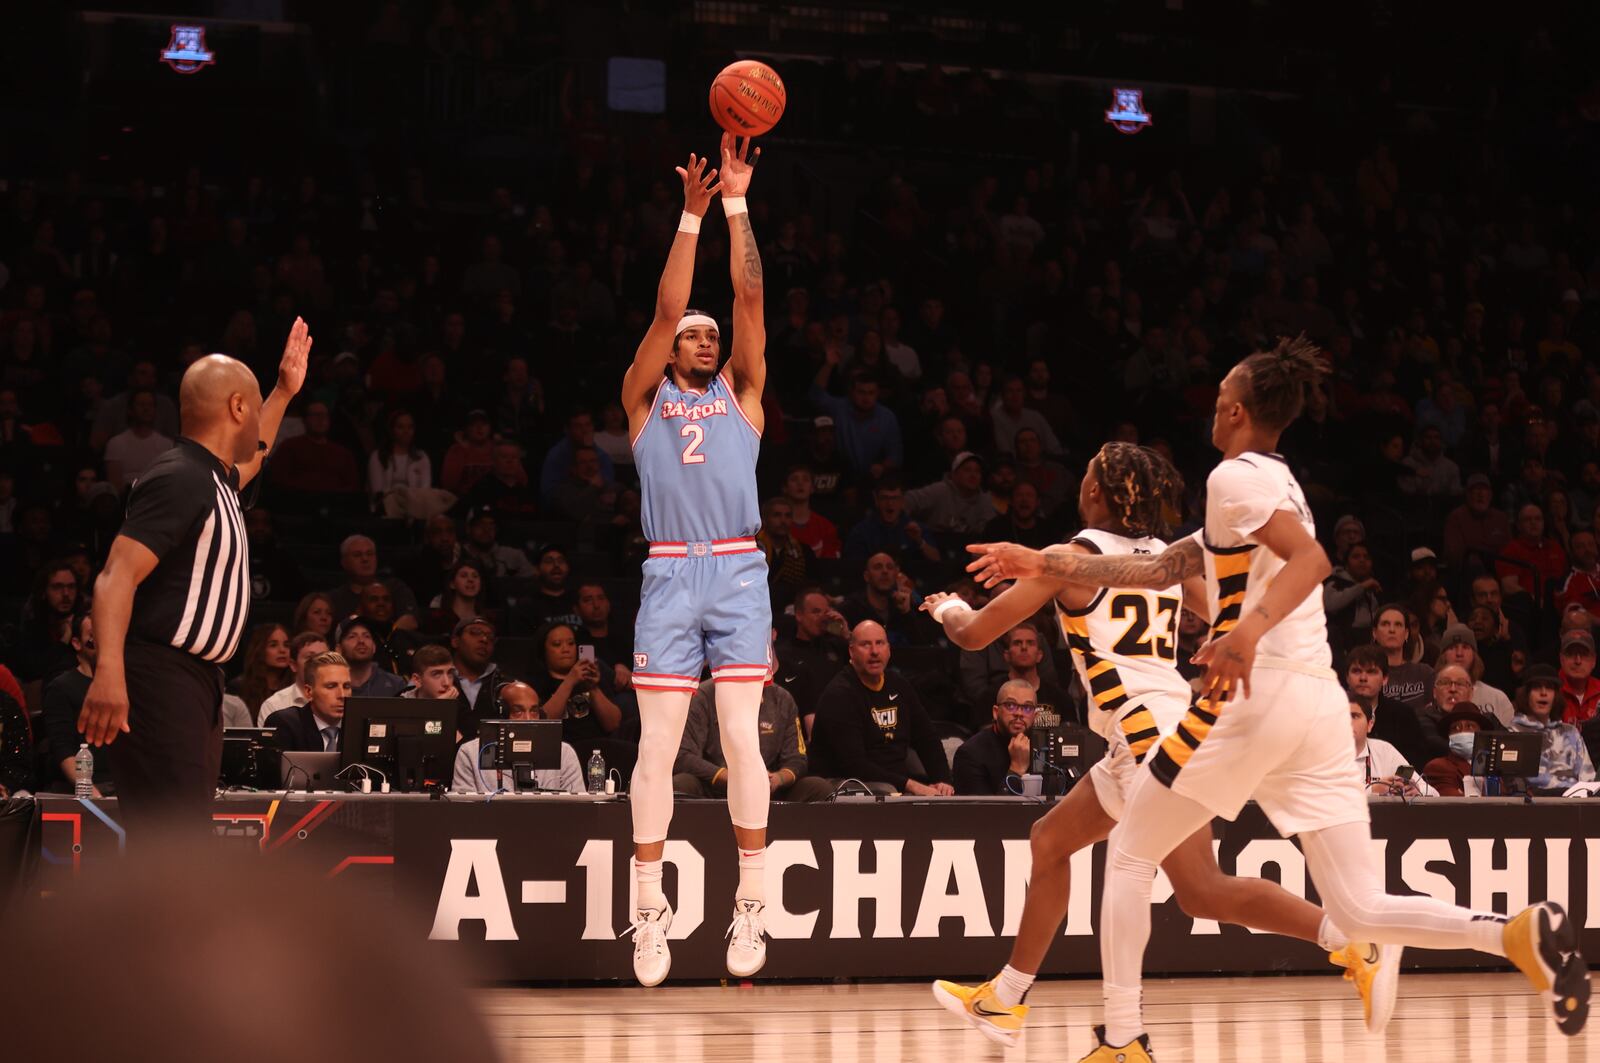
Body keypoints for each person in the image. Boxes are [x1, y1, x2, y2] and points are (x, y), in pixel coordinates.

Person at [965, 338, 1586, 1058]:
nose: (1214, 401)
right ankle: (1511, 932)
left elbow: (1312, 559)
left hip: (1260, 695)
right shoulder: (1268, 483)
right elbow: (1158, 566)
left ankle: (1124, 1039)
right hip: (1319, 704)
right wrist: (1040, 559)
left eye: (1221, 389)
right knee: (1357, 906)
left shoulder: (1234, 477)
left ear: (1234, 406)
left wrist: (1247, 632)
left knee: (1132, 854)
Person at [928, 440, 1367, 1047]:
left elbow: (977, 634)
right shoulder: (1165, 558)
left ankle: (1346, 940)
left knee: (1201, 889)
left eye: (1085, 474)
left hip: (1146, 734)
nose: (1079, 482)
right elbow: (1222, 609)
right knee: (1050, 840)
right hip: (1147, 726)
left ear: (1097, 494)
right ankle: (1005, 998)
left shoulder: (1071, 559)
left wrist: (947, 606)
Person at [617, 136, 775, 987]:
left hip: (740, 570)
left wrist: (740, 202)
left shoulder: (742, 392)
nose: (708, 337)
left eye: (713, 334)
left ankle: (751, 900)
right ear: (674, 349)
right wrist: (691, 214)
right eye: (695, 333)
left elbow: (749, 295)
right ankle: (648, 911)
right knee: (657, 747)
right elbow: (663, 306)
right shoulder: (644, 398)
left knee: (746, 739)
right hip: (671, 571)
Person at [78, 320, 311, 833]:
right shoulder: (180, 476)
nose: (259, 426)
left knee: (179, 839)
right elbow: (115, 576)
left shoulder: (213, 477)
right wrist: (109, 670)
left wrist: (281, 392)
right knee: (172, 842)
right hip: (160, 677)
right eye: (253, 405)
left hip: (195, 680)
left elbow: (256, 455)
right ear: (235, 408)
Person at [807, 621, 954, 795]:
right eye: (865, 645)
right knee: (888, 790)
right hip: (845, 783)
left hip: (896, 781)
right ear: (851, 651)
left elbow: (926, 737)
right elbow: (855, 765)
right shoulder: (840, 694)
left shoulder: (898, 684)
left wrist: (942, 780)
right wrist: (912, 785)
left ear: (889, 649)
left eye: (880, 643)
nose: (874, 651)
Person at [673, 671, 830, 802]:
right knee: (681, 784)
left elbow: (797, 759)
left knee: (817, 788)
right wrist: (732, 776)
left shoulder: (782, 699)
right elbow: (683, 756)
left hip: (766, 788)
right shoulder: (703, 696)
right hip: (713, 788)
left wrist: (777, 779)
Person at [452, 680, 583, 794]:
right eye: (518, 711)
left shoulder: (564, 753)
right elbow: (463, 811)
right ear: (502, 714)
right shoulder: (470, 753)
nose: (528, 720)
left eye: (534, 711)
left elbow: (579, 808)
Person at [43, 613, 112, 793]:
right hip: (86, 788)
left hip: (124, 788)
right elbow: (64, 751)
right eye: (92, 633)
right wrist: (92, 795)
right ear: (76, 643)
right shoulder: (61, 687)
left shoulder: (121, 687)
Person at [1510, 665, 1596, 792]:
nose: (1543, 693)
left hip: (1573, 805)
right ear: (1526, 694)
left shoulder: (1571, 733)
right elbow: (1512, 784)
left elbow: (1588, 780)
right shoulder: (1512, 733)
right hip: (1531, 807)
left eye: (1549, 688)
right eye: (1537, 687)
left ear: (1556, 696)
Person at [1343, 645, 1432, 767]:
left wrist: (1396, 782)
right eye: (1356, 671)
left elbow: (1414, 763)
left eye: (1371, 672)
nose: (1363, 678)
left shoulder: (1403, 716)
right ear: (1347, 678)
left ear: (1385, 679)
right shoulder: (1331, 714)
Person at [775, 587, 848, 730]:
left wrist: (846, 635)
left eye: (825, 612)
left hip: (839, 724)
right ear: (799, 615)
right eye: (816, 612)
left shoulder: (837, 647)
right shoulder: (783, 655)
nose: (823, 617)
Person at [951, 679, 1038, 795]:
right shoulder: (970, 754)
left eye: (1027, 707)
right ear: (996, 712)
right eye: (1010, 705)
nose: (1019, 713)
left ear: (1035, 716)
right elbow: (985, 812)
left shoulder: (1045, 747)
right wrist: (1017, 769)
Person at [265, 650, 350, 754]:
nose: (342, 695)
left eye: (346, 686)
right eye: (331, 686)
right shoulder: (285, 725)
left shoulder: (361, 729)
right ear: (309, 692)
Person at [1351, 697, 1436, 797]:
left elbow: (1432, 791)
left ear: (1370, 724)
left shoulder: (1385, 751)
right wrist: (1372, 790)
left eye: (1354, 716)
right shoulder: (1327, 753)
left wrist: (1417, 790)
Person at [843, 478, 941, 562]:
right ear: (876, 500)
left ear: (902, 501)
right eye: (884, 498)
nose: (890, 504)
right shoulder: (861, 531)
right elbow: (854, 567)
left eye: (895, 498)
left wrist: (919, 541)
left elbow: (936, 559)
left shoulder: (917, 528)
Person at [328, 535, 419, 624]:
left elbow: (410, 620)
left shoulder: (395, 587)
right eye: (357, 555)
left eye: (370, 554)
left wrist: (385, 637)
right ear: (344, 562)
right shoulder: (335, 599)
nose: (365, 559)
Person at [905, 452, 997, 538]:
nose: (973, 475)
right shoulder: (940, 490)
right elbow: (907, 500)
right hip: (935, 545)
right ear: (954, 474)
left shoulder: (984, 500)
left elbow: (992, 531)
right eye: (967, 470)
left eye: (977, 471)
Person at [1436, 625, 1513, 726]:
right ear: (1443, 655)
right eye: (1452, 648)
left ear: (1474, 655)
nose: (1459, 653)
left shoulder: (1497, 698)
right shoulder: (1436, 693)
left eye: (1465, 647)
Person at [102, 389, 173, 491]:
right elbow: (115, 486)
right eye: (141, 404)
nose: (146, 408)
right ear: (130, 410)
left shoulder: (166, 445)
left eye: (150, 405)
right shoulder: (116, 444)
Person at [1422, 702, 1497, 797]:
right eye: (1455, 728)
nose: (1462, 732)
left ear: (1481, 733)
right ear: (1449, 736)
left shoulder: (1493, 767)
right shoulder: (1438, 767)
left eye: (1469, 726)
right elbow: (1455, 803)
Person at [1372, 604, 1433, 715]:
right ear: (1374, 633)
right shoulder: (1367, 675)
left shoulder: (1424, 673)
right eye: (1385, 624)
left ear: (1406, 634)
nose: (1391, 630)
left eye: (1398, 625)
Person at [227, 623, 292, 727]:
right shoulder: (240, 687)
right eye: (273, 645)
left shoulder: (294, 686)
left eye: (286, 645)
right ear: (259, 650)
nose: (282, 650)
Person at [256, 631, 328, 723]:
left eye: (325, 657)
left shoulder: (341, 700)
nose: (319, 663)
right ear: (293, 665)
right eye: (310, 658)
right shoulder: (274, 705)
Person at [1442, 472, 1511, 568]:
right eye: (1476, 489)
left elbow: (1509, 551)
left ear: (1490, 495)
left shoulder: (1501, 518)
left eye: (1484, 489)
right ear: (1467, 495)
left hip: (1499, 569)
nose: (1480, 494)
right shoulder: (1456, 517)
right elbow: (1454, 556)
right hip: (1467, 572)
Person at [451, 615, 504, 732]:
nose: (484, 639)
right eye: (475, 632)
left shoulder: (504, 683)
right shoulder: (435, 678)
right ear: (455, 641)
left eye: (490, 637)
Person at [334, 616, 407, 698]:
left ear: (374, 647)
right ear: (339, 649)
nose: (361, 641)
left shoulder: (396, 685)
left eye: (366, 636)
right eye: (352, 636)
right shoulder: (330, 685)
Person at [781, 464, 841, 558]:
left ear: (812, 488)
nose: (800, 483)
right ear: (785, 488)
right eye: (794, 479)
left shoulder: (826, 527)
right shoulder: (777, 526)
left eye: (805, 480)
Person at [1559, 630, 1600, 725]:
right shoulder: (1550, 691)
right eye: (1571, 654)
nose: (1578, 661)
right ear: (1561, 659)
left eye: (1584, 654)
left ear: (1594, 661)